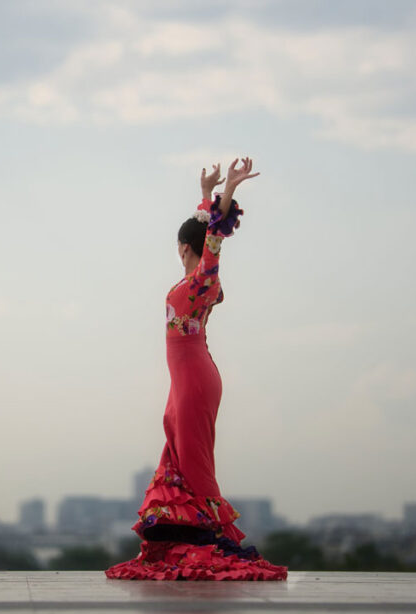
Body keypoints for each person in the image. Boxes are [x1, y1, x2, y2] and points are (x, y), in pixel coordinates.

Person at [105, 157, 288, 581]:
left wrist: (228, 195)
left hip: (194, 381)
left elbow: (211, 252)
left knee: (195, 463)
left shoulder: (201, 282)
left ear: (183, 248)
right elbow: (206, 244)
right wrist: (207, 194)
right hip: (186, 380)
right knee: (178, 456)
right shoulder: (196, 287)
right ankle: (184, 538)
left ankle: (211, 543)